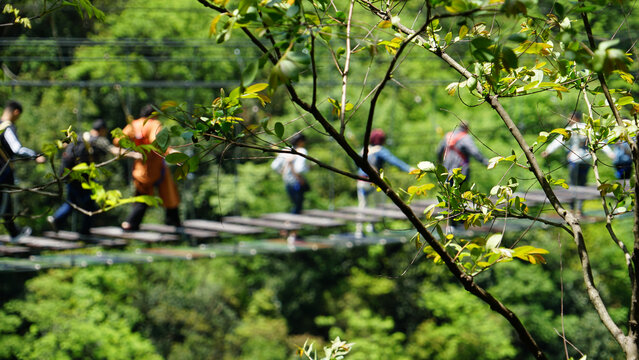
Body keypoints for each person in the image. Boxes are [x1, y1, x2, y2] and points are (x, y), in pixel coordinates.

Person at [114, 105, 181, 231]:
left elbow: (117, 140)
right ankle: (174, 223)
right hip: (156, 165)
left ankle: (131, 223)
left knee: (142, 196)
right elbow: (155, 140)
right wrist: (170, 151)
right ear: (154, 114)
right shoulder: (154, 123)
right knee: (169, 194)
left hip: (141, 167)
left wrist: (134, 145)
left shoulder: (133, 125)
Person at [47, 119, 115, 235]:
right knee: (89, 203)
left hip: (67, 173)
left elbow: (63, 145)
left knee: (72, 201)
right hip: (82, 176)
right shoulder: (98, 141)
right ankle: (85, 231)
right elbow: (113, 150)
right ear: (102, 130)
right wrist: (134, 154)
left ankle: (56, 220)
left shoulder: (79, 136)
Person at [0, 100, 46, 242]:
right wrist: (35, 156)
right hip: (3, 174)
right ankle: (14, 233)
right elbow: (16, 149)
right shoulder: (7, 127)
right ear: (16, 112)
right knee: (4, 206)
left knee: (6, 206)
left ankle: (14, 232)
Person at [356, 129, 412, 237]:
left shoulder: (363, 150)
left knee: (363, 205)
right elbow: (393, 160)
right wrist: (408, 169)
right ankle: (372, 225)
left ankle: (359, 230)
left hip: (362, 181)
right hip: (374, 182)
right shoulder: (379, 150)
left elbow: (357, 165)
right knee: (379, 205)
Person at [271, 133, 309, 243]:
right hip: (297, 183)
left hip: (287, 182)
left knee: (295, 206)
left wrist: (283, 172)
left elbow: (274, 166)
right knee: (298, 208)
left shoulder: (286, 149)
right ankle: (291, 233)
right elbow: (300, 169)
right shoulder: (301, 151)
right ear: (301, 141)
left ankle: (289, 229)